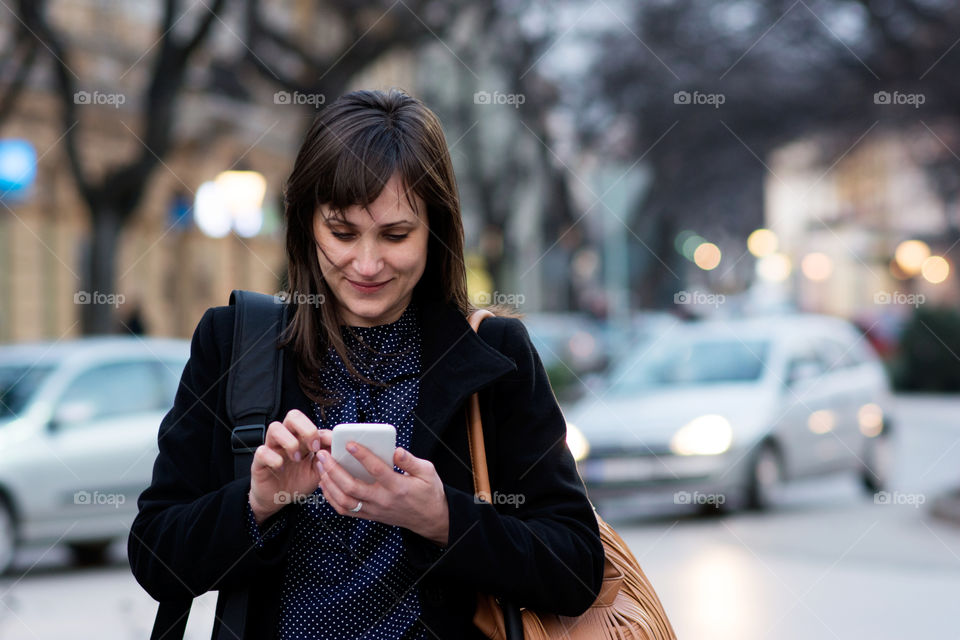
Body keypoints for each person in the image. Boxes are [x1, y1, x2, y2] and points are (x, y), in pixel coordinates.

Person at [128, 88, 604, 640]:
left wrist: (442, 518)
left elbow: (575, 566)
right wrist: (257, 502)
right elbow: (156, 556)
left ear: (435, 230)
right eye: (343, 233)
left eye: (396, 235)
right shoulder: (235, 343)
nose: (368, 263)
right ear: (307, 225)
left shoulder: (494, 353)